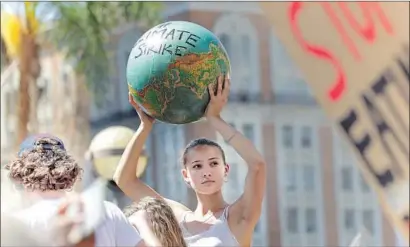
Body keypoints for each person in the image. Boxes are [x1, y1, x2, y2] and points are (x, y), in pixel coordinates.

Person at [114, 74, 267, 247]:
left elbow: (257, 165)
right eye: (197, 166)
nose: (206, 171)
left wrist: (215, 119)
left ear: (226, 170)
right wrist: (145, 127)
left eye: (214, 163)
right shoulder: (177, 216)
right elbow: (124, 180)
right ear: (186, 175)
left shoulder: (237, 217)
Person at [4, 134, 155, 247]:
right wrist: (143, 226)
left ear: (19, 177)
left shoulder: (15, 225)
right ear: (68, 171)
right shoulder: (107, 211)